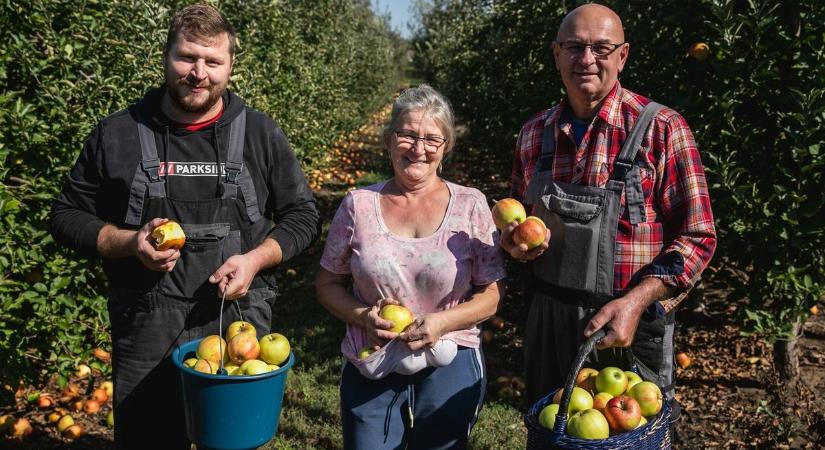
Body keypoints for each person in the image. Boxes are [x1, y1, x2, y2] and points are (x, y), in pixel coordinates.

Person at [48, 5, 320, 449]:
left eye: (213, 62)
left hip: (237, 322)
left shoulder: (259, 135)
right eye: (186, 57)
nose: (199, 73)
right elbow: (65, 216)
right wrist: (129, 242)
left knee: (232, 440)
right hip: (146, 325)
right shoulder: (116, 133)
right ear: (165, 55)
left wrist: (254, 259)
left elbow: (304, 216)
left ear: (231, 65)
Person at [500, 3, 717, 420]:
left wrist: (637, 301)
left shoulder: (662, 129)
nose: (586, 60)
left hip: (627, 330)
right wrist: (514, 245)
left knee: (628, 442)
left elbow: (698, 237)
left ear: (623, 55)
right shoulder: (533, 135)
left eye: (601, 48)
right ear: (556, 54)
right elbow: (519, 220)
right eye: (574, 47)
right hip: (550, 325)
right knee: (553, 436)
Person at [315, 84, 506, 449]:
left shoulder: (470, 205)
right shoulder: (358, 205)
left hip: (451, 350)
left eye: (432, 139)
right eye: (407, 135)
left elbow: (493, 295)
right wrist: (362, 316)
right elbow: (326, 284)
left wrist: (441, 322)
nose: (419, 149)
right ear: (389, 140)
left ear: (445, 147)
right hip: (373, 354)